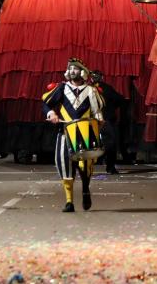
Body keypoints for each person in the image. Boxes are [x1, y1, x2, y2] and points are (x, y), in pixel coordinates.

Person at [43, 58, 105, 212]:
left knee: (86, 164)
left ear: (82, 72)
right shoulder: (62, 88)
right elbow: (45, 103)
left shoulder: (91, 90)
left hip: (86, 131)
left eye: (75, 69)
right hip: (65, 130)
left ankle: (85, 188)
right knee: (64, 163)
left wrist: (99, 119)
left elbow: (97, 110)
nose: (71, 71)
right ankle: (69, 201)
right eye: (69, 68)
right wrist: (51, 113)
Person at [90, 70, 127, 175]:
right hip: (105, 119)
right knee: (110, 144)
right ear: (102, 77)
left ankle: (87, 167)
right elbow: (120, 100)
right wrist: (111, 109)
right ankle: (110, 167)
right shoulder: (107, 88)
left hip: (93, 120)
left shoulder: (87, 88)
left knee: (89, 144)